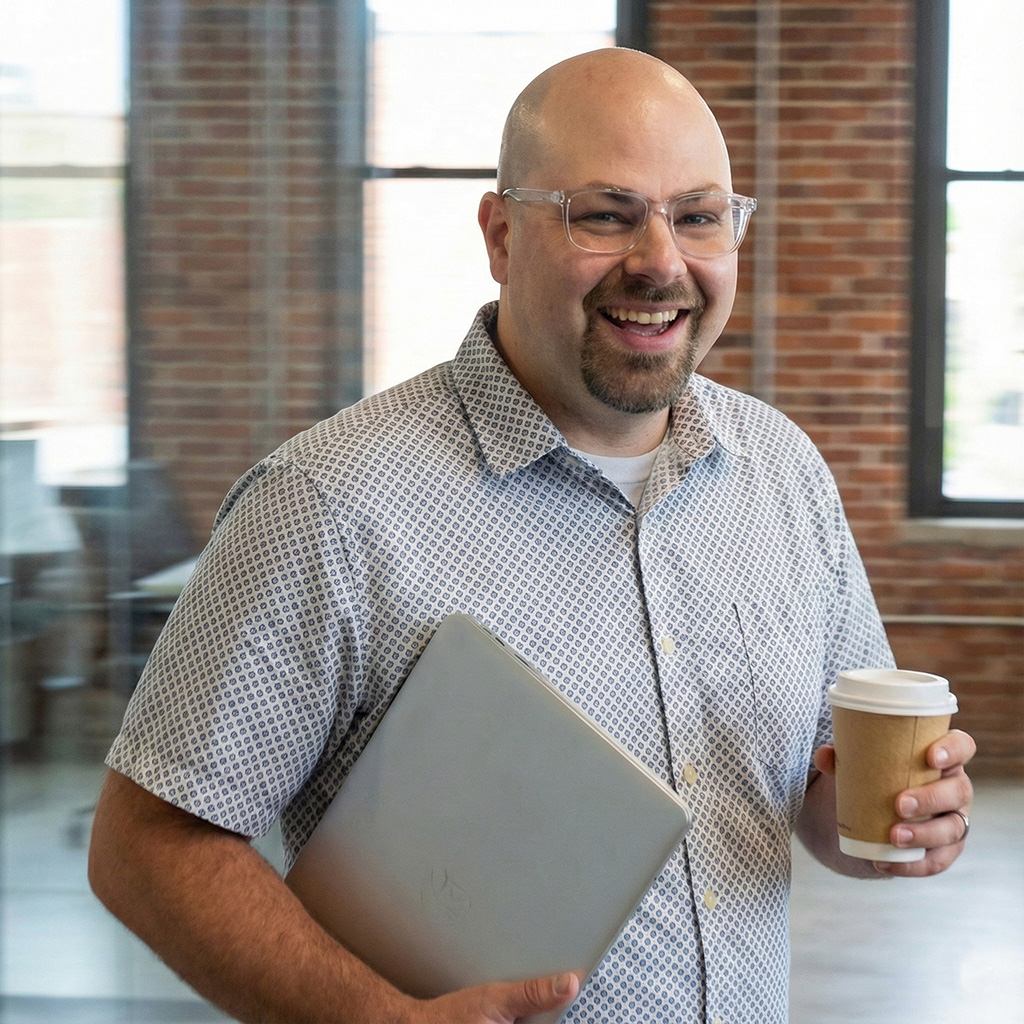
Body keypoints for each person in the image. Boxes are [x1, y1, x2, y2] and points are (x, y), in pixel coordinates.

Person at [88, 48, 975, 1024]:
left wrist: (893, 817)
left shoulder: (782, 472)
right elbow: (147, 845)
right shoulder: (329, 502)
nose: (660, 260)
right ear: (502, 234)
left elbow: (818, 794)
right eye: (604, 213)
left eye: (697, 215)